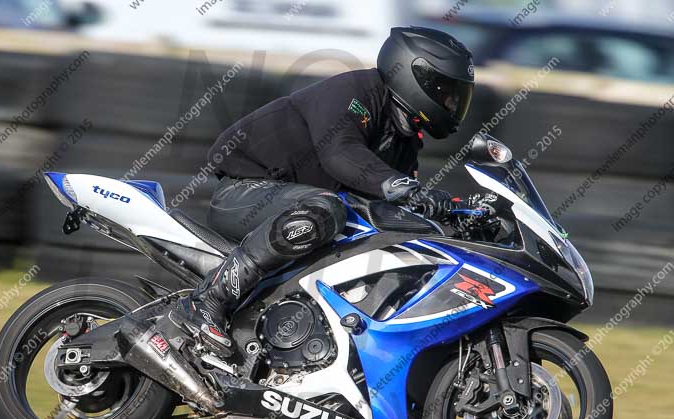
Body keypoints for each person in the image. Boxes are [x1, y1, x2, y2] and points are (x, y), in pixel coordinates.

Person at [173, 26, 475, 356]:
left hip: (296, 209)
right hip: (246, 193)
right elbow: (340, 152)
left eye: (457, 96)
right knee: (327, 209)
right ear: (416, 74)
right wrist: (400, 186)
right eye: (446, 91)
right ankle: (207, 301)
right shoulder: (358, 91)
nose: (452, 103)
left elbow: (398, 210)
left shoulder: (403, 141)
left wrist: (451, 214)